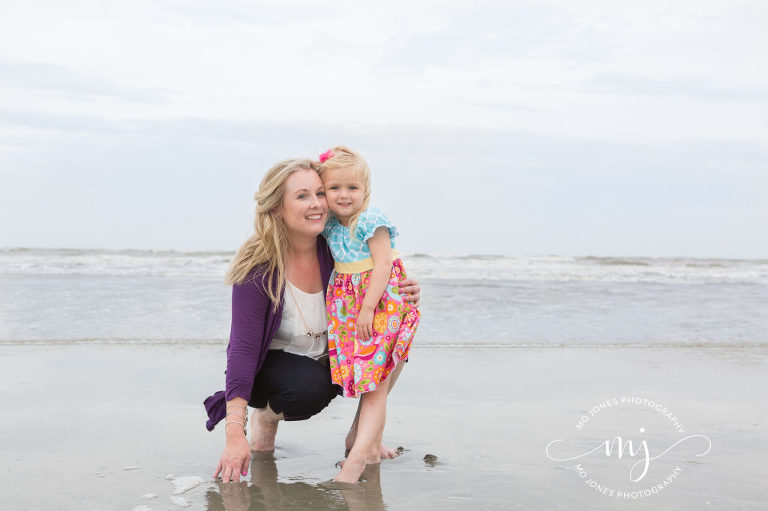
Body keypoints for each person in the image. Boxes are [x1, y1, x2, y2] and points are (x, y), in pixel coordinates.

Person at [203, 158, 420, 484]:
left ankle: (362, 436)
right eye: (303, 196)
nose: (317, 203)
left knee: (392, 345)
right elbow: (242, 352)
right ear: (278, 208)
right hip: (276, 370)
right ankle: (266, 418)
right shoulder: (257, 269)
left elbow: (381, 272)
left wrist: (405, 291)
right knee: (308, 389)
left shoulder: (337, 246)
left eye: (320, 193)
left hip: (329, 355)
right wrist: (235, 433)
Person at [317, 146, 420, 483]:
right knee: (369, 379)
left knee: (375, 383)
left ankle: (358, 460)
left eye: (353, 188)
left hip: (378, 302)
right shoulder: (331, 224)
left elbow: (384, 264)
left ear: (366, 190)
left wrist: (368, 308)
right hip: (349, 305)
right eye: (335, 188)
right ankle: (365, 444)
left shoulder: (371, 220)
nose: (344, 195)